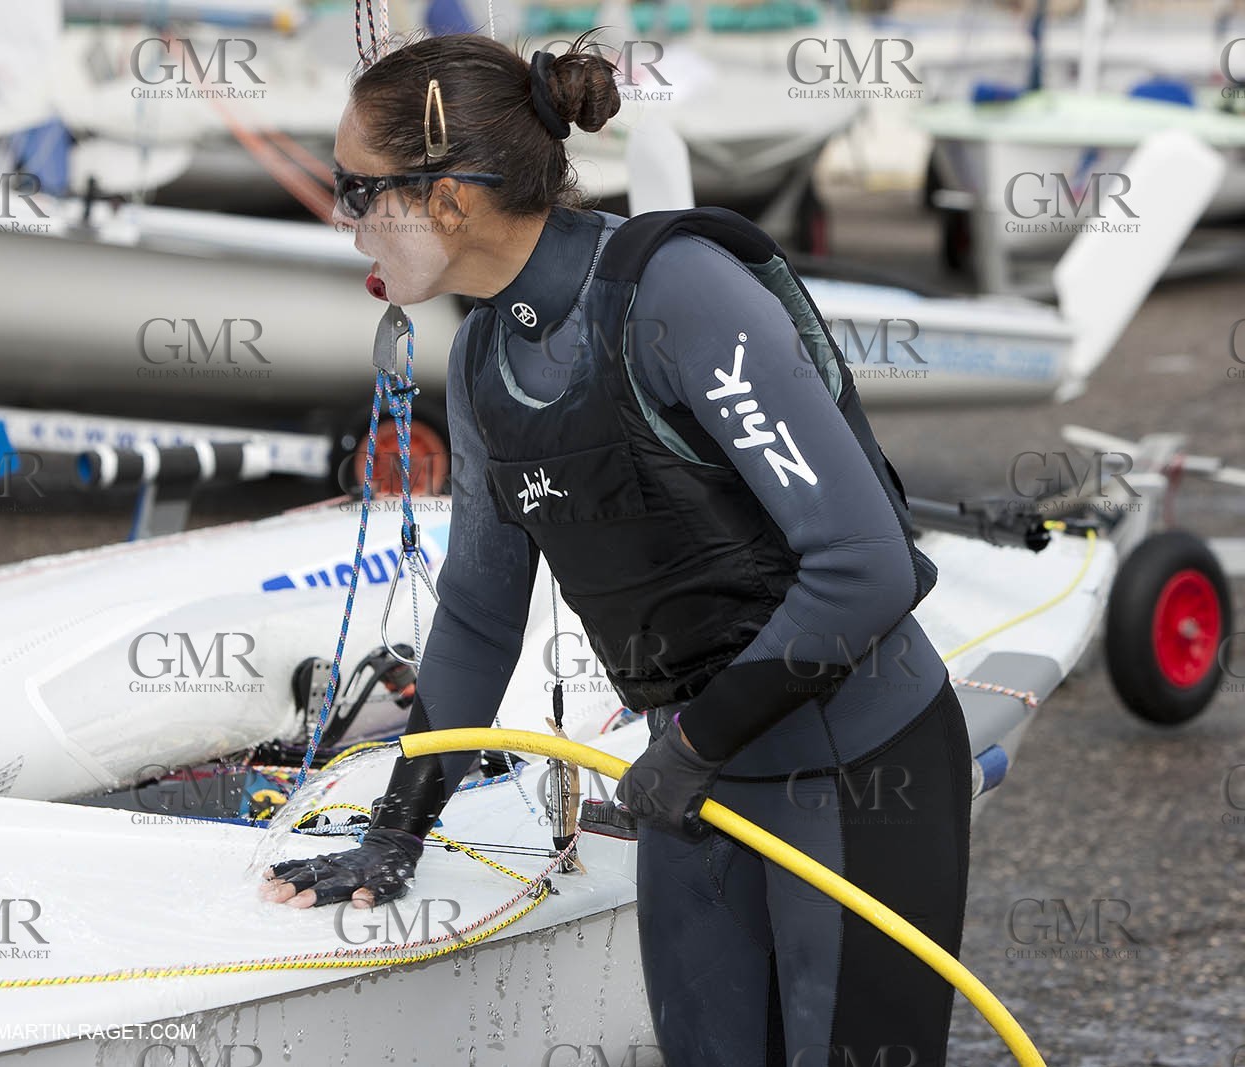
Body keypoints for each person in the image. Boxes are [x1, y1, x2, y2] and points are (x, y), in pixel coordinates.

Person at [260, 33, 973, 1067]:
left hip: (850, 769)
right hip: (699, 781)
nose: (345, 221)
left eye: (355, 190)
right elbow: (474, 614)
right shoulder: (485, 357)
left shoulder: (675, 292)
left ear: (450, 199)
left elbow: (867, 564)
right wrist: (396, 827)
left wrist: (692, 743)